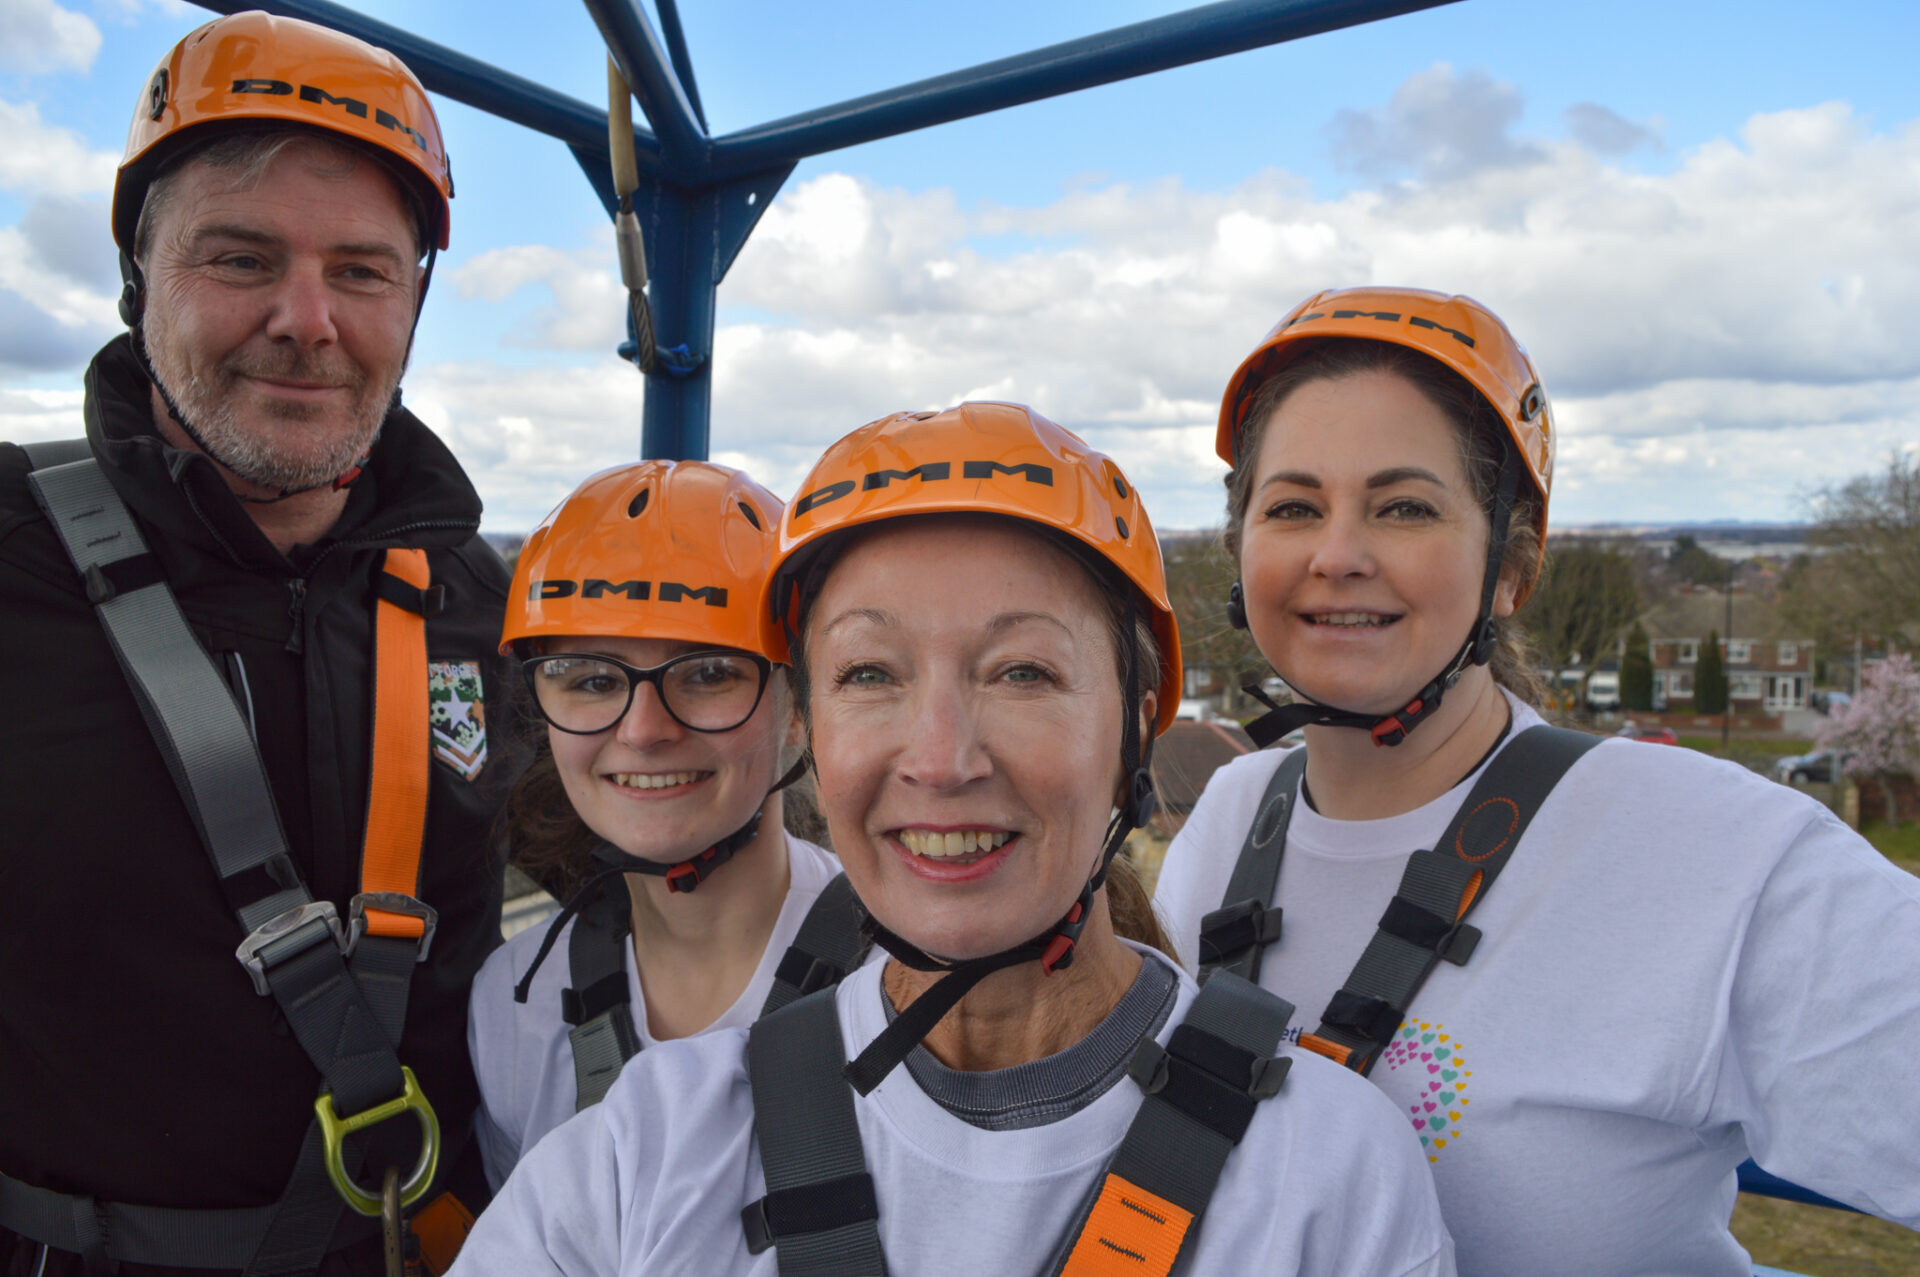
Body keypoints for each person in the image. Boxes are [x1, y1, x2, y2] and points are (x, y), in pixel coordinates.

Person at [449, 402, 1455, 1276]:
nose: (939, 759)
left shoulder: (1327, 1172)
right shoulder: (642, 1149)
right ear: (812, 723)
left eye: (1022, 672)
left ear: (1138, 720)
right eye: (870, 673)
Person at [1152, 287, 1920, 1276]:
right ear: (1241, 552)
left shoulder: (1715, 853)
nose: (1337, 555)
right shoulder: (1227, 821)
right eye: (1294, 506)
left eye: (1404, 506)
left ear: (1509, 567)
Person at [0, 13, 514, 1274]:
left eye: (362, 270)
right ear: (139, 277)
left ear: (414, 299)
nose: (307, 318)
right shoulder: (13, 563)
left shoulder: (480, 598)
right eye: (241, 257)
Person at [468, 460, 848, 1190]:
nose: (643, 731)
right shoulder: (517, 1003)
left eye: (708, 673)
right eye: (592, 679)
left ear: (798, 705)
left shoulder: (905, 978)